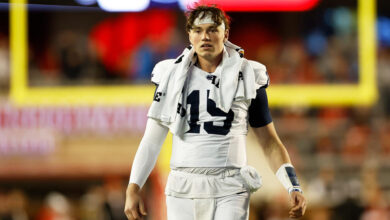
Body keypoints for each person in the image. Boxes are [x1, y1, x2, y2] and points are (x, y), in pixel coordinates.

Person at [124, 5, 306, 220]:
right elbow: (152, 140)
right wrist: (133, 187)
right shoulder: (170, 74)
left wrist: (292, 185)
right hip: (183, 184)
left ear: (225, 33)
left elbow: (268, 141)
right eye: (198, 30)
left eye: (212, 29)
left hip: (230, 184)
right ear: (189, 34)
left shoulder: (247, 74)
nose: (205, 36)